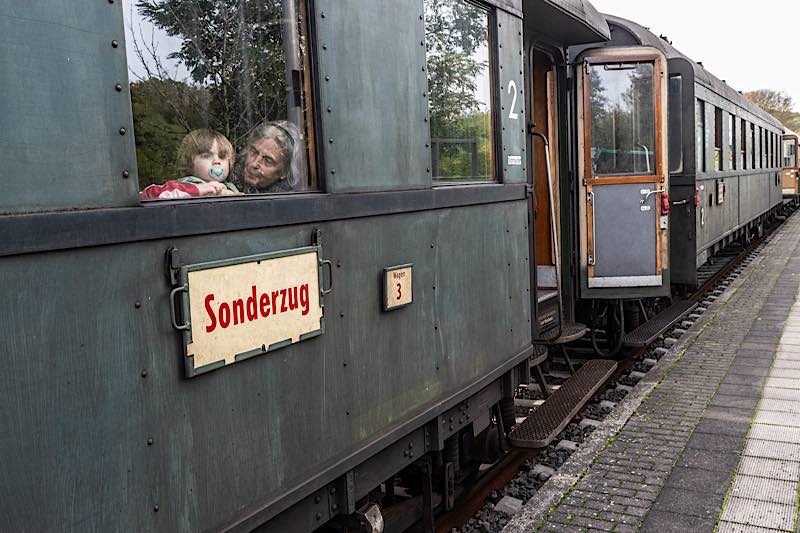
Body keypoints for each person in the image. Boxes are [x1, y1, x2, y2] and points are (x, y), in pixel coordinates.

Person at [140, 129, 241, 200]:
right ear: (189, 162)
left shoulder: (230, 188)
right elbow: (148, 195)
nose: (216, 161)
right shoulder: (183, 186)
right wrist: (198, 190)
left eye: (222, 157)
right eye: (206, 156)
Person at [238, 121, 304, 194]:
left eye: (268, 160)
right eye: (254, 152)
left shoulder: (287, 200)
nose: (254, 164)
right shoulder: (228, 177)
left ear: (284, 172)